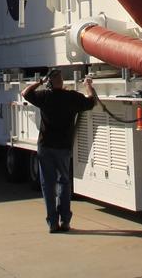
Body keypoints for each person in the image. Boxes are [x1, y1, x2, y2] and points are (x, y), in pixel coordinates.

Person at [22, 69, 96, 232]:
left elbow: (25, 93)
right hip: (63, 147)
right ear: (62, 82)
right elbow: (91, 101)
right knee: (64, 182)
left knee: (48, 185)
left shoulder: (44, 96)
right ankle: (65, 221)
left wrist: (39, 83)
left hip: (45, 146)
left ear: (49, 82)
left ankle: (52, 223)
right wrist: (88, 85)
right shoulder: (71, 97)